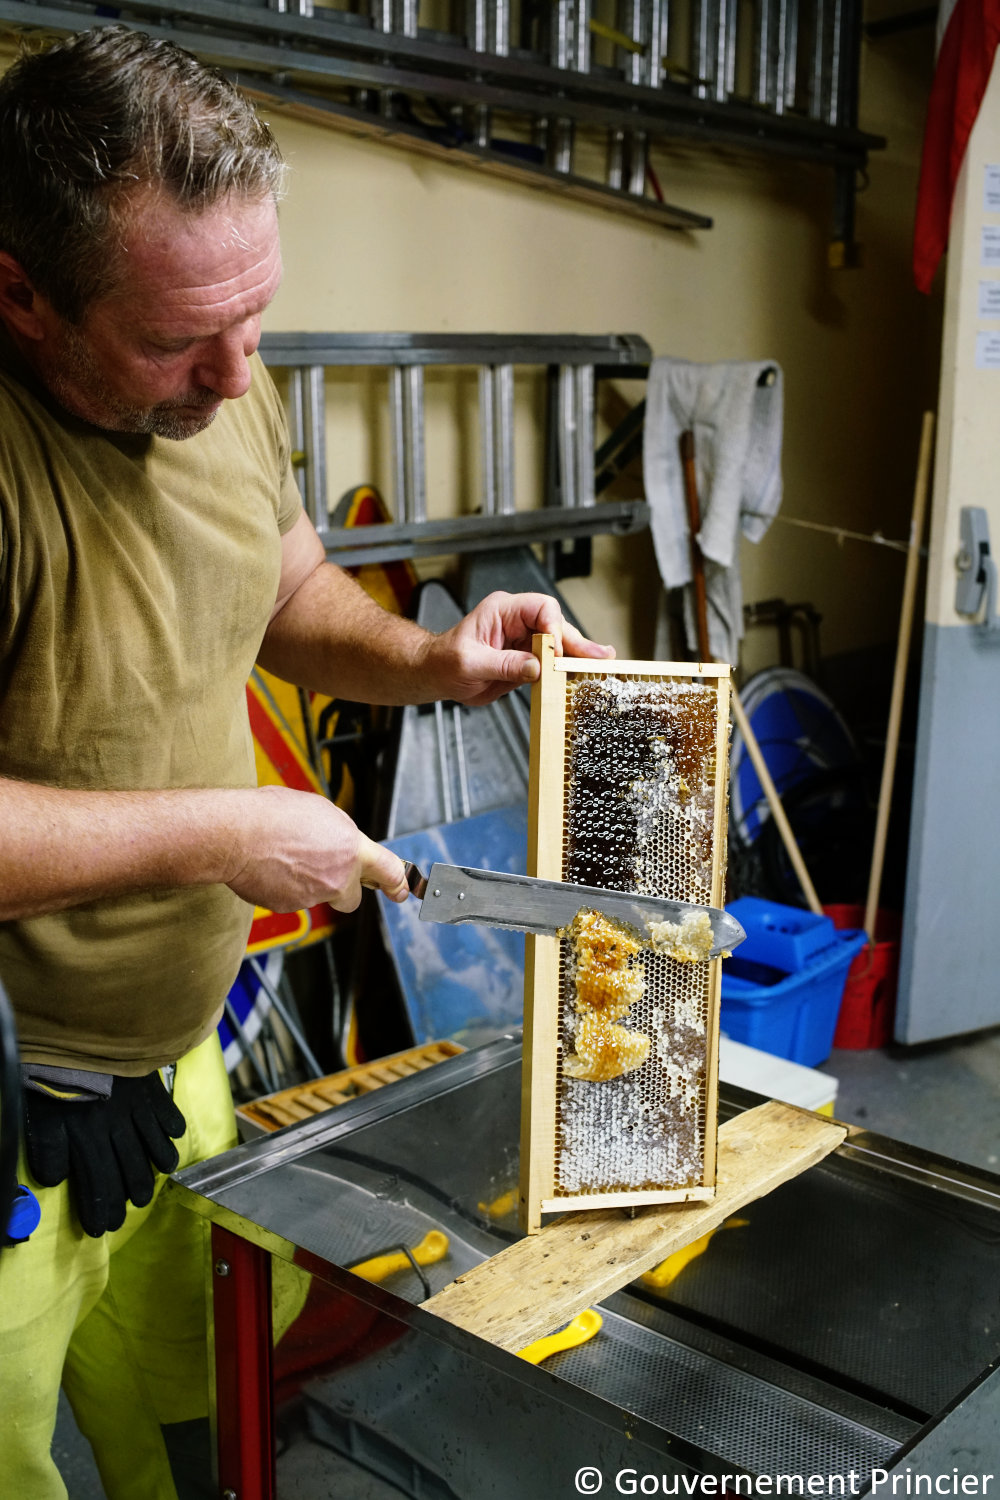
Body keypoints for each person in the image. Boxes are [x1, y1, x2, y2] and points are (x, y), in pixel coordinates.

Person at [0, 25, 613, 1499]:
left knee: (205, 1435)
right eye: (174, 342)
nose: (231, 373)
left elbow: (286, 594)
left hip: (182, 1065)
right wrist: (226, 831)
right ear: (19, 290)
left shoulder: (223, 368)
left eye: (255, 320)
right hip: (12, 1099)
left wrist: (428, 662)